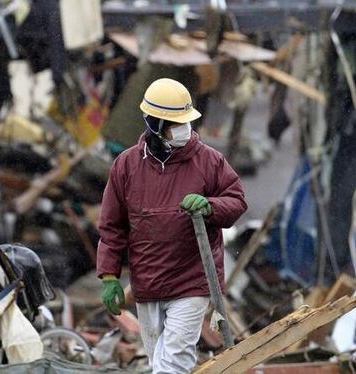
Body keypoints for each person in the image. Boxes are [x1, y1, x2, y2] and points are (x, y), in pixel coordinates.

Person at [96, 78, 247, 373]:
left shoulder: (209, 161)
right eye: (173, 124)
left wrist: (210, 206)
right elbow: (112, 226)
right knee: (159, 363)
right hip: (148, 284)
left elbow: (237, 200)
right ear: (153, 124)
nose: (183, 130)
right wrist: (109, 276)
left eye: (185, 122)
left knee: (173, 364)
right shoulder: (126, 166)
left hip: (193, 281)